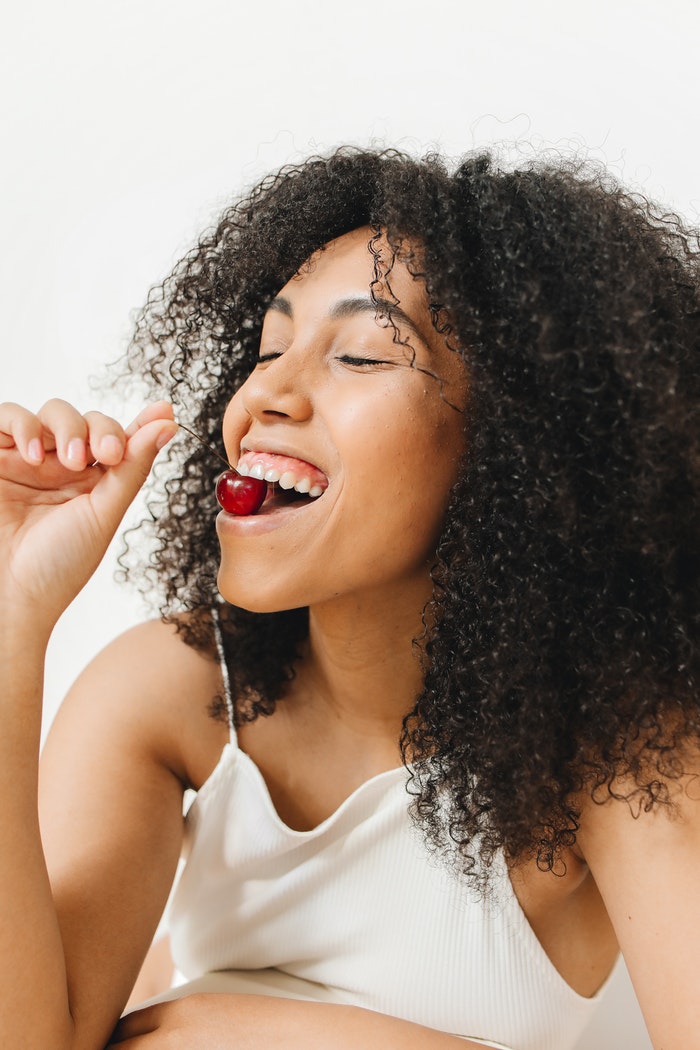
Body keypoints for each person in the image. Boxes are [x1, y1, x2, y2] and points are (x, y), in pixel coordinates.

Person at [1, 147, 698, 1050]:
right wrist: (13, 619)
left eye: (362, 355)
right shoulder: (167, 689)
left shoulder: (619, 749)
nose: (268, 394)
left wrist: (222, 1029)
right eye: (269, 347)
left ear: (516, 451)